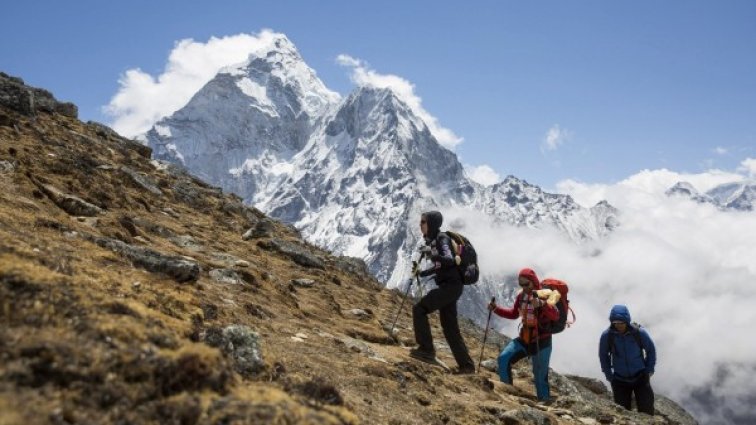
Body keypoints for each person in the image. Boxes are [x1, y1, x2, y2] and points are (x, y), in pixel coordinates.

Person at [409, 211, 476, 374]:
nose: (420, 225)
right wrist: (422, 273)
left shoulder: (441, 239)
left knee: (419, 309)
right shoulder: (434, 240)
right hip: (452, 287)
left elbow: (449, 259)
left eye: (423, 222)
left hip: (449, 287)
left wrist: (432, 254)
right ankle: (467, 366)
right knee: (450, 328)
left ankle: (426, 350)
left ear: (431, 223)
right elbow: (442, 266)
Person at [488, 268, 560, 402]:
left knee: (539, 376)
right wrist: (496, 309)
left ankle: (544, 403)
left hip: (542, 341)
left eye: (527, 284)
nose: (524, 287)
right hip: (526, 338)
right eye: (521, 285)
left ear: (533, 282)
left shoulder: (545, 295)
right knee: (503, 359)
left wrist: (543, 305)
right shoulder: (521, 296)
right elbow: (514, 314)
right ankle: (508, 394)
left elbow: (555, 316)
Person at [599, 304, 656, 415]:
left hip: (640, 377)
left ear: (627, 321)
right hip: (620, 380)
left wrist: (649, 370)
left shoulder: (639, 333)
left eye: (621, 323)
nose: (618, 325)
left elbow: (651, 350)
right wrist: (610, 377)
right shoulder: (607, 336)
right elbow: (603, 356)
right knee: (622, 414)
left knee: (647, 412)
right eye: (615, 323)